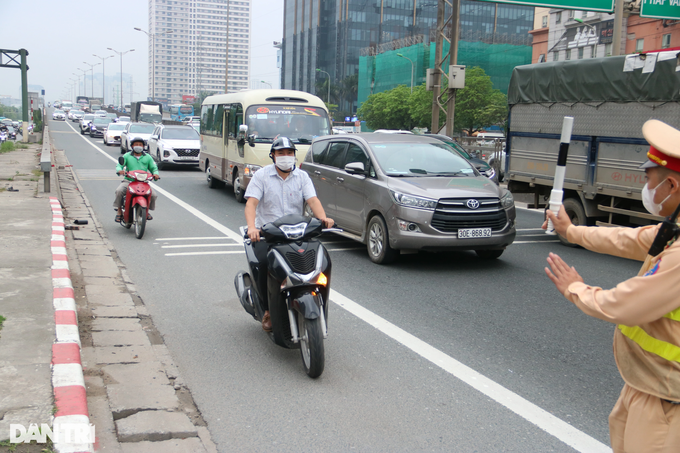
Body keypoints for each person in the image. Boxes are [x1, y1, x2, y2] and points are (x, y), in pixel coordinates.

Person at [544, 119, 680, 453]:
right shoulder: (673, 229)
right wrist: (571, 231)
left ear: (672, 186)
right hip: (647, 384)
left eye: (648, 179)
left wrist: (576, 288)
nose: (645, 187)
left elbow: (624, 305)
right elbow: (629, 238)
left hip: (666, 398)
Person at [244, 136, 334, 332]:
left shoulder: (302, 176)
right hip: (268, 233)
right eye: (281, 153)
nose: (285, 157)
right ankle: (267, 309)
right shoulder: (261, 176)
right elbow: (251, 203)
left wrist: (323, 218)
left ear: (294, 155)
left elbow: (313, 201)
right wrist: (252, 228)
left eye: (289, 153)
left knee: (319, 260)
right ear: (273, 156)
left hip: (297, 232)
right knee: (262, 264)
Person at [114, 138, 160, 222]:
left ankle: (146, 211)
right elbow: (119, 165)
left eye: (140, 145)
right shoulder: (127, 155)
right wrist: (119, 170)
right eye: (136, 144)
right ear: (132, 146)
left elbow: (154, 168)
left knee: (153, 195)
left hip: (143, 182)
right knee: (119, 191)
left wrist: (156, 174)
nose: (138, 146)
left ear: (143, 146)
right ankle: (119, 211)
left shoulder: (148, 157)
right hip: (129, 181)